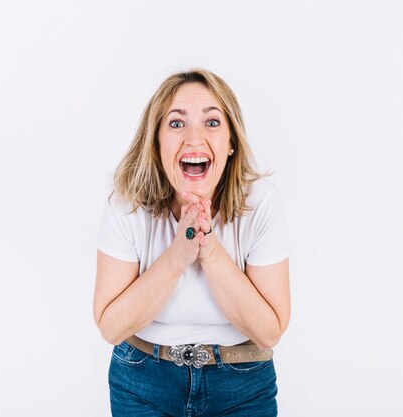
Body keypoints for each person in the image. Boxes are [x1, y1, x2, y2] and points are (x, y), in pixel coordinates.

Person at [93, 68, 290, 417]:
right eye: (176, 123)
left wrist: (210, 251)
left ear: (231, 143)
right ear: (156, 141)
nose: (194, 138)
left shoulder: (261, 203)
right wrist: (177, 257)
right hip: (142, 383)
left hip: (243, 385)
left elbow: (269, 331)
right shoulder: (127, 204)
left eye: (212, 123)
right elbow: (111, 326)